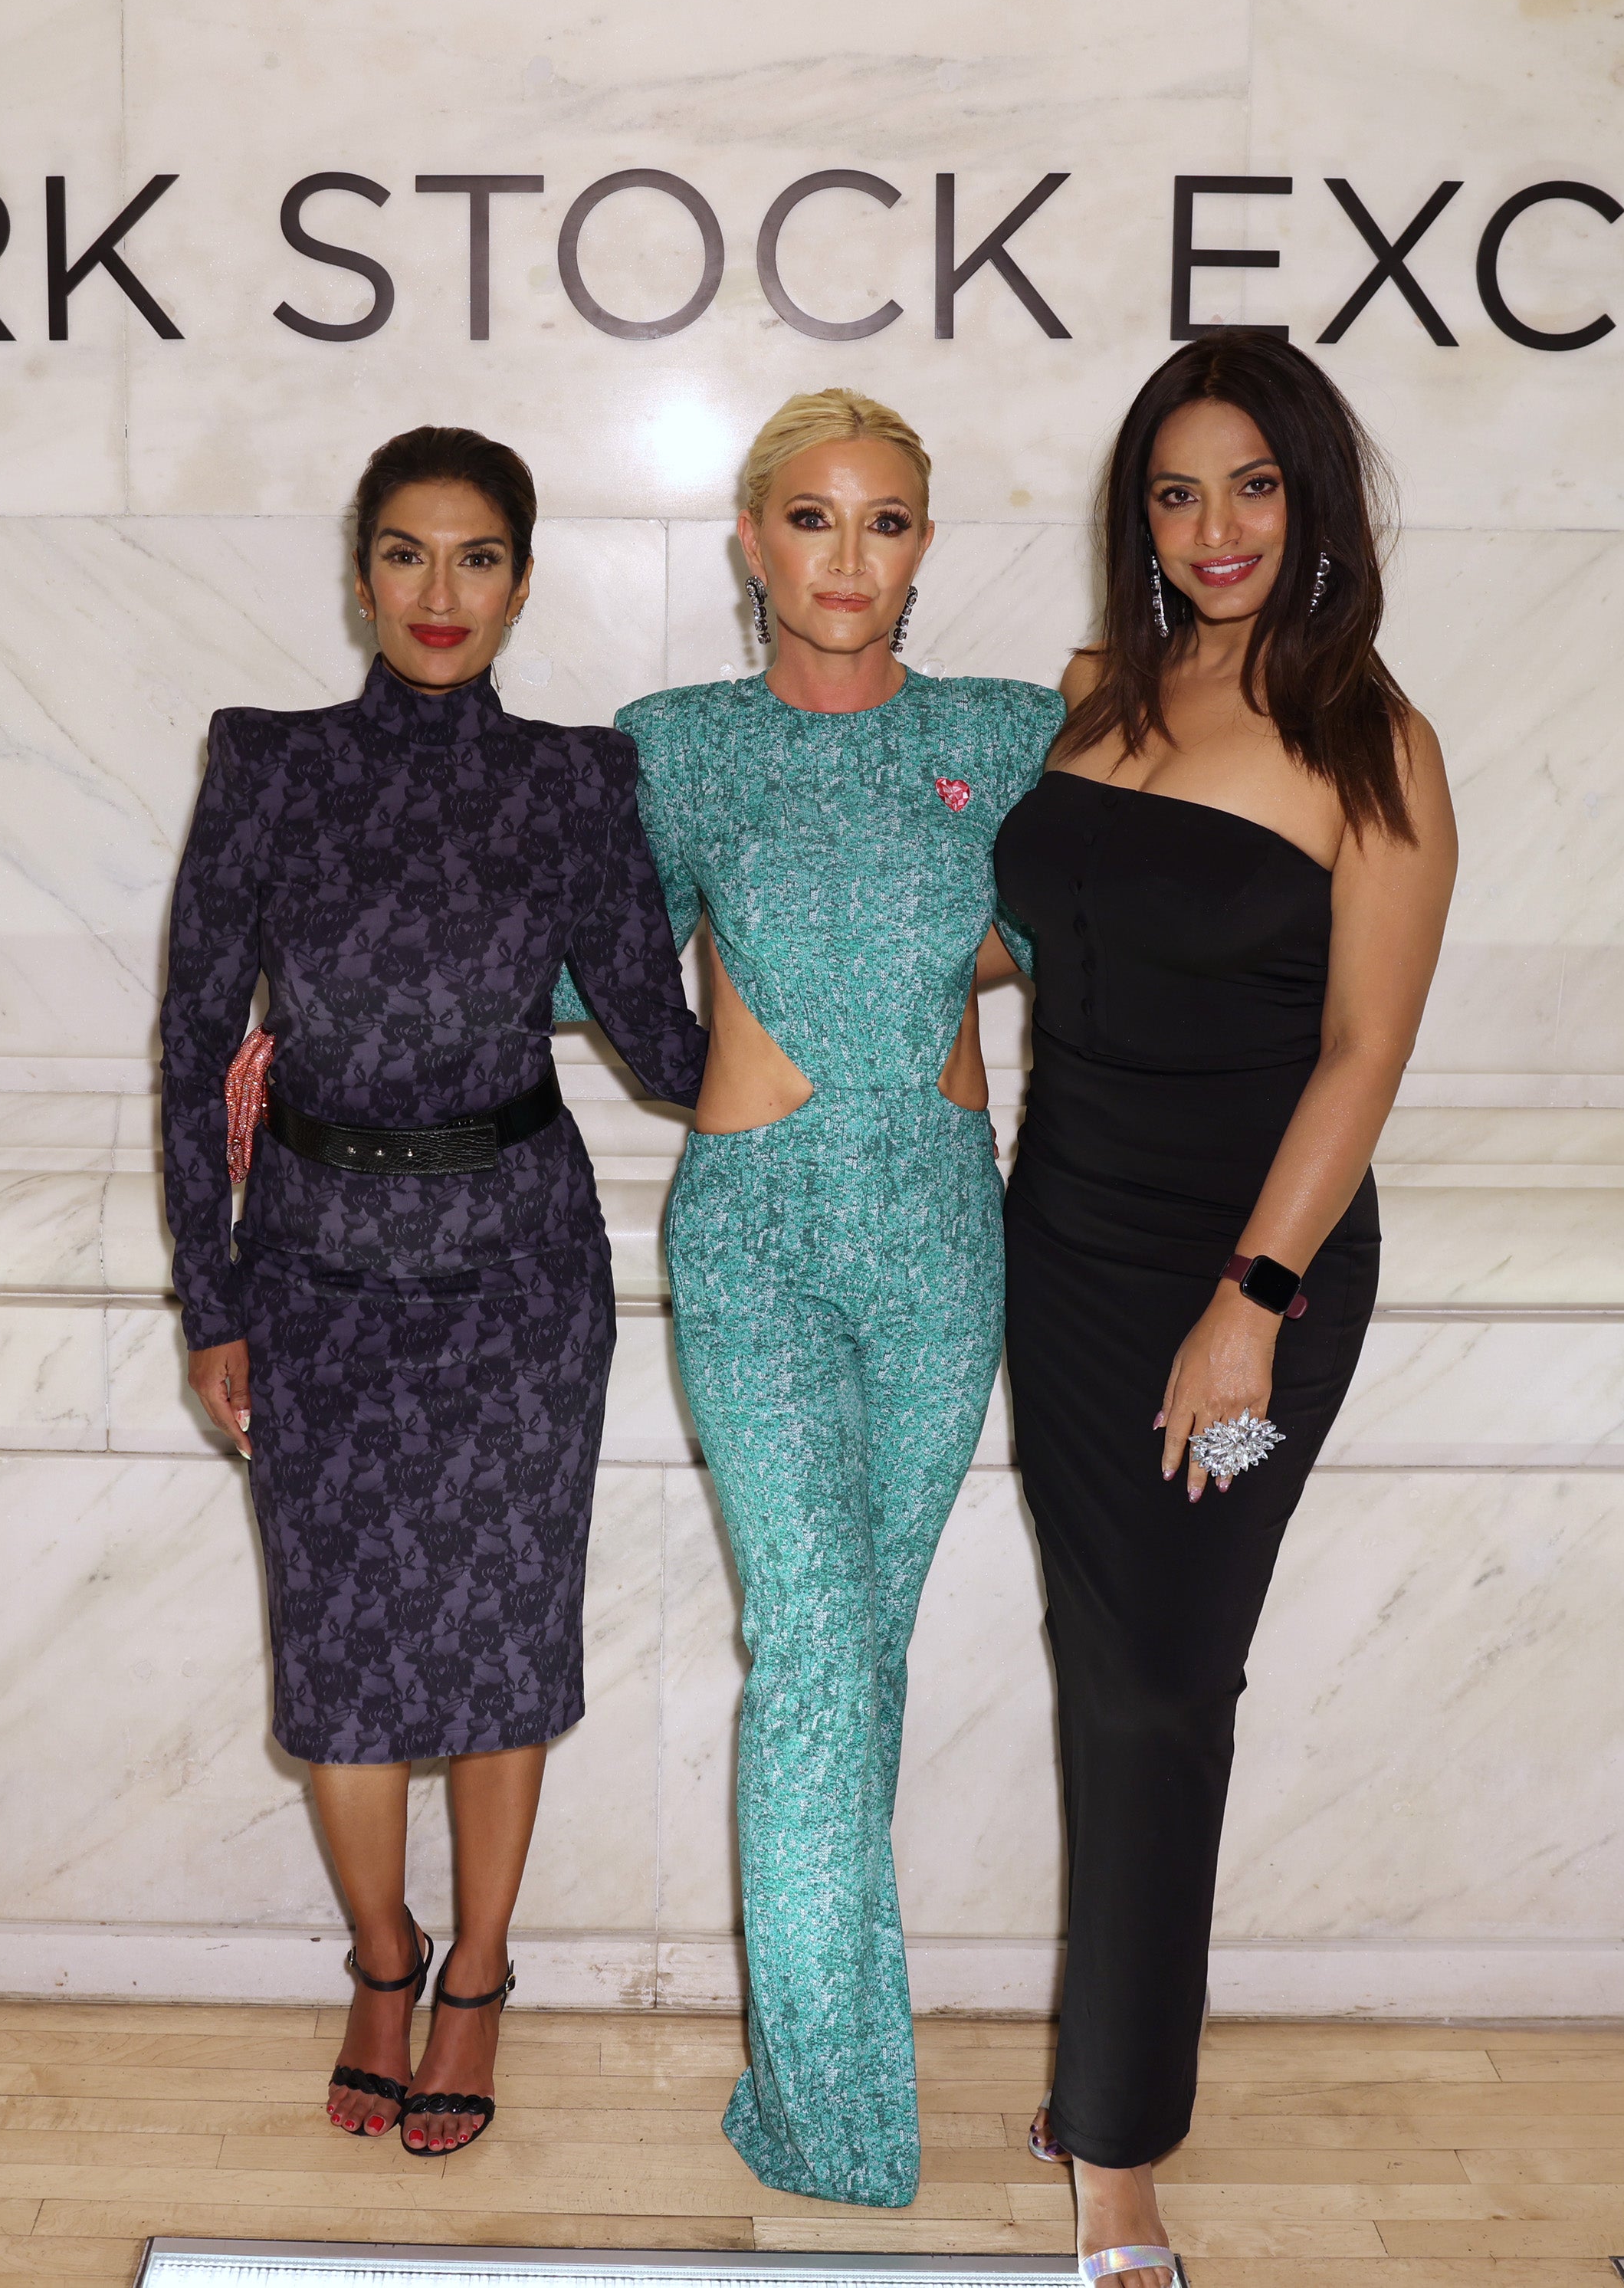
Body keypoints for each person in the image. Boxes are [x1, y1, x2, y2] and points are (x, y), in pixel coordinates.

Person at [159, 425, 707, 2158]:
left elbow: (661, 1035)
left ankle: (473, 1974)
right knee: (338, 1664)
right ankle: (378, 1958)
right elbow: (189, 1051)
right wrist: (211, 1301)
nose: (440, 592)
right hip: (312, 1266)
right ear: (359, 573)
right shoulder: (266, 763)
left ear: (524, 580)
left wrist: (891, 960)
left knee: (494, 1640)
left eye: (478, 558)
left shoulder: (575, 780)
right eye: (406, 554)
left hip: (517, 1270)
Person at [993, 334, 1459, 2283]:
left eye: (1252, 486)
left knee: (1166, 1683)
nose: (1215, 530)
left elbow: (1363, 1053)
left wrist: (1249, 1302)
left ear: (1315, 499)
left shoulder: (1373, 739)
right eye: (1177, 493)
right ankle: (1102, 2074)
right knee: (1107, 1668)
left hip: (1262, 1283)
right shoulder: (1097, 695)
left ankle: (1117, 2155)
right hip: (1065, 1252)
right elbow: (1013, 933)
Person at [598, 390, 1061, 2206]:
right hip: (760, 1229)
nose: (844, 557)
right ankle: (841, 2115)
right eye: (810, 519)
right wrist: (304, 1017)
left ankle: (817, 2076)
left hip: (949, 1224)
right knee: (807, 1654)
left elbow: (1104, 909)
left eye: (883, 522)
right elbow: (567, 957)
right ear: (749, 541)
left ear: (924, 545)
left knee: (855, 1653)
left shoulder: (1011, 734)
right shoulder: (674, 745)